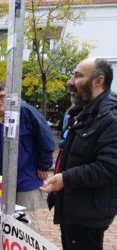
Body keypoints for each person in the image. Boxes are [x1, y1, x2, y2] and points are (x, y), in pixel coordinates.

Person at [41, 58, 117, 250]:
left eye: (78, 75)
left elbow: (108, 167)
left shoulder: (110, 118)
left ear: (98, 81)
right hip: (74, 206)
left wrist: (66, 178)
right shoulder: (83, 112)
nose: (70, 81)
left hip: (88, 213)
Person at [0, 82, 55, 231]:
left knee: (27, 224)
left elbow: (46, 137)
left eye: (1, 96)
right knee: (8, 222)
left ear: (8, 95)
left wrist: (44, 164)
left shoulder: (25, 111)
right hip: (5, 181)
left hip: (27, 178)